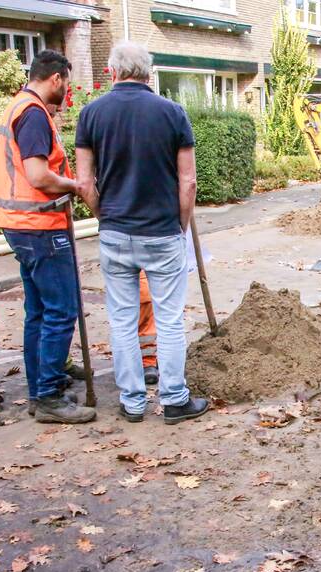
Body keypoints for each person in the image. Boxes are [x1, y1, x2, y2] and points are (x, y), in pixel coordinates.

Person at [75, 41, 208, 424]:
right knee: (168, 320)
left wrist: (105, 216)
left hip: (116, 232)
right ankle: (174, 399)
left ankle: (132, 402)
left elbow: (84, 183)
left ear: (112, 73)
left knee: (121, 319)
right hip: (162, 231)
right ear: (149, 74)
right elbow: (189, 182)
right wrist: (179, 226)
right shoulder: (172, 113)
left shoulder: (91, 114)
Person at [0, 49, 96, 424]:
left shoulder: (18, 106)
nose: (66, 92)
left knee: (37, 311)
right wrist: (77, 185)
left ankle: (40, 390)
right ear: (56, 78)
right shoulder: (33, 114)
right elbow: (38, 176)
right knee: (60, 310)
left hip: (21, 226)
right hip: (39, 227)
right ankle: (49, 395)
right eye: (66, 84)